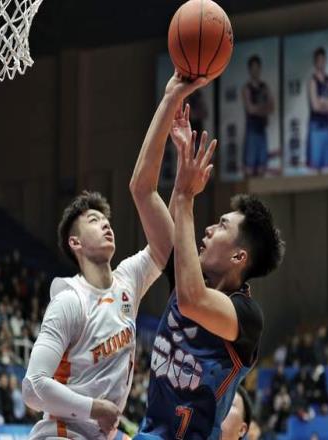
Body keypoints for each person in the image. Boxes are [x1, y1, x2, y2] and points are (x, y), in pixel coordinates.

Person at [22, 71, 206, 439]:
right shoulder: (70, 301)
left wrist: (172, 117)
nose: (106, 224)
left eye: (106, 219)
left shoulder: (127, 281)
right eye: (93, 221)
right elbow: (32, 386)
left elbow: (168, 244)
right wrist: (94, 408)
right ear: (75, 244)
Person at [136, 83, 285, 438]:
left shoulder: (247, 316)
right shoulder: (187, 275)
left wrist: (186, 197)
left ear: (238, 256)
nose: (208, 229)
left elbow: (192, 300)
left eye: (221, 226)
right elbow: (142, 189)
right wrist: (170, 99)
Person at [307, 47, 328, 171]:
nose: (321, 62)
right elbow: (315, 106)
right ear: (315, 62)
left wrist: (324, 102)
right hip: (316, 128)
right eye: (318, 60)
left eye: (323, 60)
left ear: (325, 61)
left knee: (327, 166)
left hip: (327, 126)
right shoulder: (312, 81)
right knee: (315, 167)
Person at [242, 55, 275, 177]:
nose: (255, 70)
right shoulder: (247, 88)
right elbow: (250, 109)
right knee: (249, 169)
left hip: (262, 130)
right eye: (253, 68)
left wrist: (259, 109)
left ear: (260, 69)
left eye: (257, 68)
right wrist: (263, 108)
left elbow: (271, 107)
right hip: (252, 131)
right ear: (250, 70)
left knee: (262, 168)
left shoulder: (265, 87)